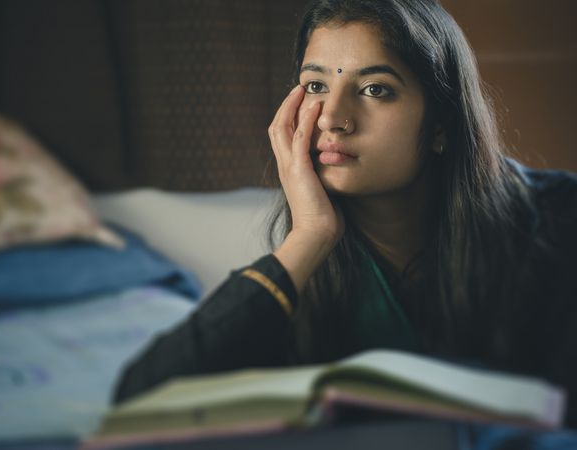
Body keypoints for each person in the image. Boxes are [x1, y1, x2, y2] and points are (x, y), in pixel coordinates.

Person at [113, 0, 577, 429]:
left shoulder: (559, 219)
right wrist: (309, 235)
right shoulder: (311, 265)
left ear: (441, 125)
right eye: (315, 86)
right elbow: (141, 398)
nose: (333, 116)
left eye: (375, 89)